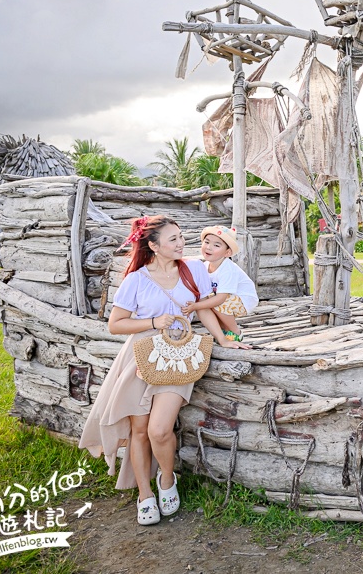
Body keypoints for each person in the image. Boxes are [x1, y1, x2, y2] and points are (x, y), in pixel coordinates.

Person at [78, 215, 247, 526]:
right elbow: (116, 324)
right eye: (173, 239)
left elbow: (205, 306)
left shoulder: (194, 268)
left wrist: (225, 338)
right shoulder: (136, 280)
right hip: (140, 355)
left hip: (178, 356)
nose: (182, 243)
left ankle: (166, 481)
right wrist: (154, 322)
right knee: (139, 431)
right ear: (153, 246)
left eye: (182, 236)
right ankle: (144, 495)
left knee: (159, 429)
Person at [181, 225, 258, 342]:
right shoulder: (205, 266)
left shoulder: (227, 269)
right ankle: (223, 330)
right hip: (226, 298)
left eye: (216, 245)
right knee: (208, 300)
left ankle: (235, 331)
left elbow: (220, 299)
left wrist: (195, 306)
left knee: (215, 302)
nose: (209, 247)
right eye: (206, 242)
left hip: (244, 299)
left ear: (227, 253)